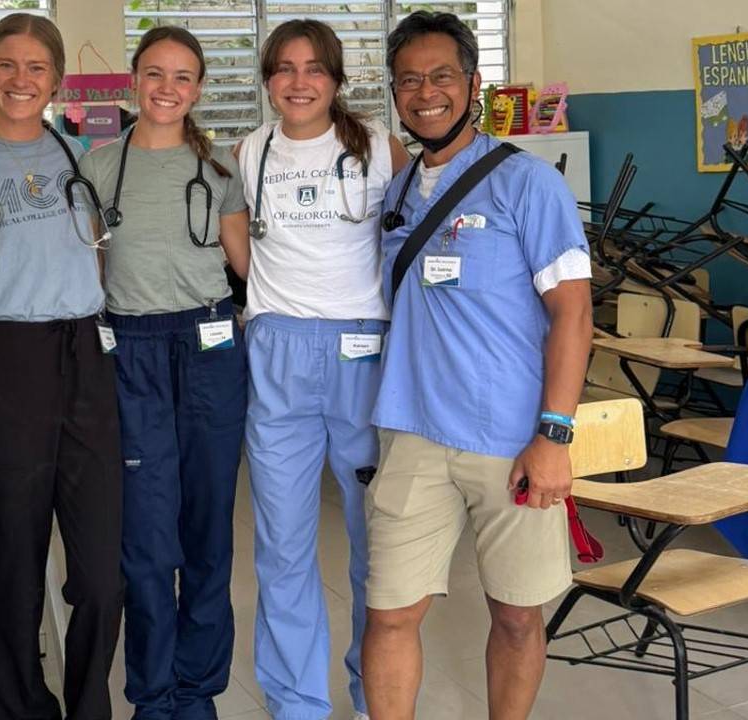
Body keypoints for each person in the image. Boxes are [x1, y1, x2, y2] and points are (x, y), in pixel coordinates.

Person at [361, 10, 593, 720]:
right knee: (390, 615)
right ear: (394, 93)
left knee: (520, 617)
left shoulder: (528, 184)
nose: (425, 92)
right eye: (409, 80)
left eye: (441, 76)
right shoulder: (397, 194)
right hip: (413, 433)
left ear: (473, 84)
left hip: (513, 439)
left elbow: (574, 314)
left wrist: (554, 435)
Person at [0, 13, 124, 720]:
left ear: (56, 79)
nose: (21, 79)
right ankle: (20, 707)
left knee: (104, 571)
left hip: (86, 351)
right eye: (7, 65)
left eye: (36, 67)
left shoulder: (83, 155)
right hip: (5, 358)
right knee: (13, 558)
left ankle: (87, 703)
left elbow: (99, 246)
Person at [235, 18, 409, 720]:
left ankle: (374, 696)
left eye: (314, 68)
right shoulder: (249, 151)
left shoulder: (379, 147)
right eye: (284, 67)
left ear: (337, 78)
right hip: (278, 351)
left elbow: (407, 243)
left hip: (362, 353)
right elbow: (237, 241)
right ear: (268, 79)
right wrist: (278, 308)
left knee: (377, 544)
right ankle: (296, 704)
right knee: (281, 547)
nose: (299, 81)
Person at [78, 26, 250, 720]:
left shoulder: (222, 168)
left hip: (210, 349)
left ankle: (195, 689)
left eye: (183, 77)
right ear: (132, 81)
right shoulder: (99, 166)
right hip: (132, 354)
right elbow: (86, 271)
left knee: (209, 531)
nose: (168, 89)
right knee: (147, 544)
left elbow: (247, 270)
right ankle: (152, 694)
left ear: (199, 89)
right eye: (155, 74)